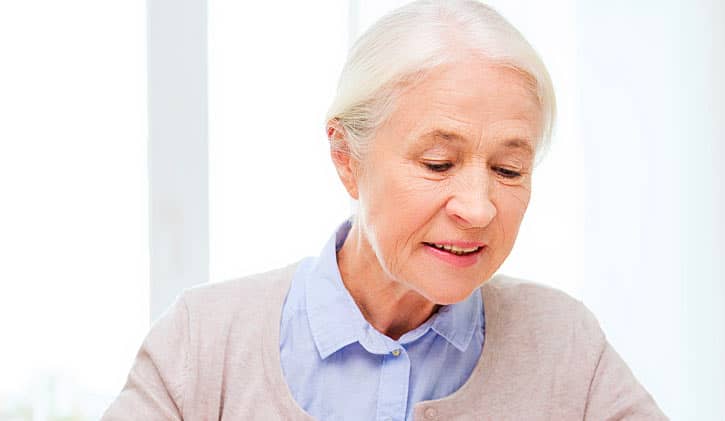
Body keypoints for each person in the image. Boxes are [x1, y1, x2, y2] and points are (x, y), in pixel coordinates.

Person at [102, 1, 665, 419]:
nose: (478, 208)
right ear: (346, 159)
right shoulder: (203, 345)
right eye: (439, 163)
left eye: (508, 170)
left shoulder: (564, 345)